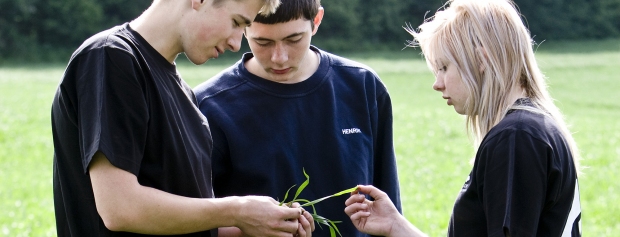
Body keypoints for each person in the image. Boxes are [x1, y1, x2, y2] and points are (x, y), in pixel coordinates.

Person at [50, 0, 315, 236]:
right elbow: (120, 208)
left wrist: (264, 225)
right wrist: (238, 210)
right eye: (236, 22)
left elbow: (191, 223)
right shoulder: (111, 57)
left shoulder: (185, 95)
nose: (236, 43)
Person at [344, 0, 582, 236]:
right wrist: (396, 225)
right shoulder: (534, 128)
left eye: (444, 67)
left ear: (481, 60)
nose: (437, 84)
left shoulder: (515, 137)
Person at [193, 0, 402, 236]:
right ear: (243, 26)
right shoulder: (208, 105)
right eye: (263, 42)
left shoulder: (363, 87)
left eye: (294, 40)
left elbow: (388, 207)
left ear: (316, 21)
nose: (279, 57)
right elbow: (193, 222)